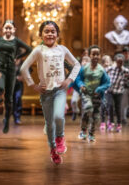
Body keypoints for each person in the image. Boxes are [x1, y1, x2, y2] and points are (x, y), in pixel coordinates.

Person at [21, 21, 81, 165]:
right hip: (45, 93)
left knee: (59, 116)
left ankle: (60, 138)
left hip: (60, 91)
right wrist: (32, 85)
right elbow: (24, 67)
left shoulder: (63, 49)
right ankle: (53, 150)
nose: (50, 34)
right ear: (41, 34)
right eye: (46, 31)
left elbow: (77, 64)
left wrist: (69, 80)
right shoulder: (38, 50)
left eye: (53, 31)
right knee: (49, 124)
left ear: (57, 34)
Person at [0, 20, 32, 133]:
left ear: (14, 30)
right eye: (6, 28)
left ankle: (7, 120)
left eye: (10, 28)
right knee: (0, 87)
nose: (8, 30)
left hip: (11, 69)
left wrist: (18, 57)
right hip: (0, 67)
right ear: (3, 29)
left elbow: (29, 49)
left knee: (9, 99)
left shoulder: (16, 41)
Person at [72, 45, 110, 142]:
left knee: (96, 116)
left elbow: (107, 83)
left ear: (100, 56)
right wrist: (81, 85)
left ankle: (92, 134)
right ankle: (83, 131)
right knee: (88, 108)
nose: (96, 56)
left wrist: (100, 89)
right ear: (89, 55)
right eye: (93, 54)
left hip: (97, 96)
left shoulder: (101, 70)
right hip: (86, 93)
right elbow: (78, 78)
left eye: (97, 54)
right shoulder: (84, 68)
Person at [105, 54, 129, 132]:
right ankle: (111, 122)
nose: (119, 64)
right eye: (118, 62)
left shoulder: (125, 70)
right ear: (115, 62)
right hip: (109, 90)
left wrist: (127, 77)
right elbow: (103, 73)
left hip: (119, 91)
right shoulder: (111, 68)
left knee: (118, 108)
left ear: (123, 63)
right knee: (110, 106)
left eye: (121, 63)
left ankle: (119, 124)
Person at [71, 49, 91, 121]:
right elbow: (76, 78)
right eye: (84, 61)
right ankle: (75, 111)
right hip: (77, 88)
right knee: (73, 101)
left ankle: (84, 119)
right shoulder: (78, 68)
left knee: (84, 105)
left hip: (85, 89)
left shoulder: (91, 70)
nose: (85, 62)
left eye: (87, 61)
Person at [99, 55, 113, 131]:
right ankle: (102, 122)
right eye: (105, 62)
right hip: (102, 91)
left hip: (110, 91)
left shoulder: (112, 69)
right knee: (102, 107)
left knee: (110, 106)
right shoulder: (101, 70)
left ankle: (110, 121)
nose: (107, 63)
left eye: (108, 61)